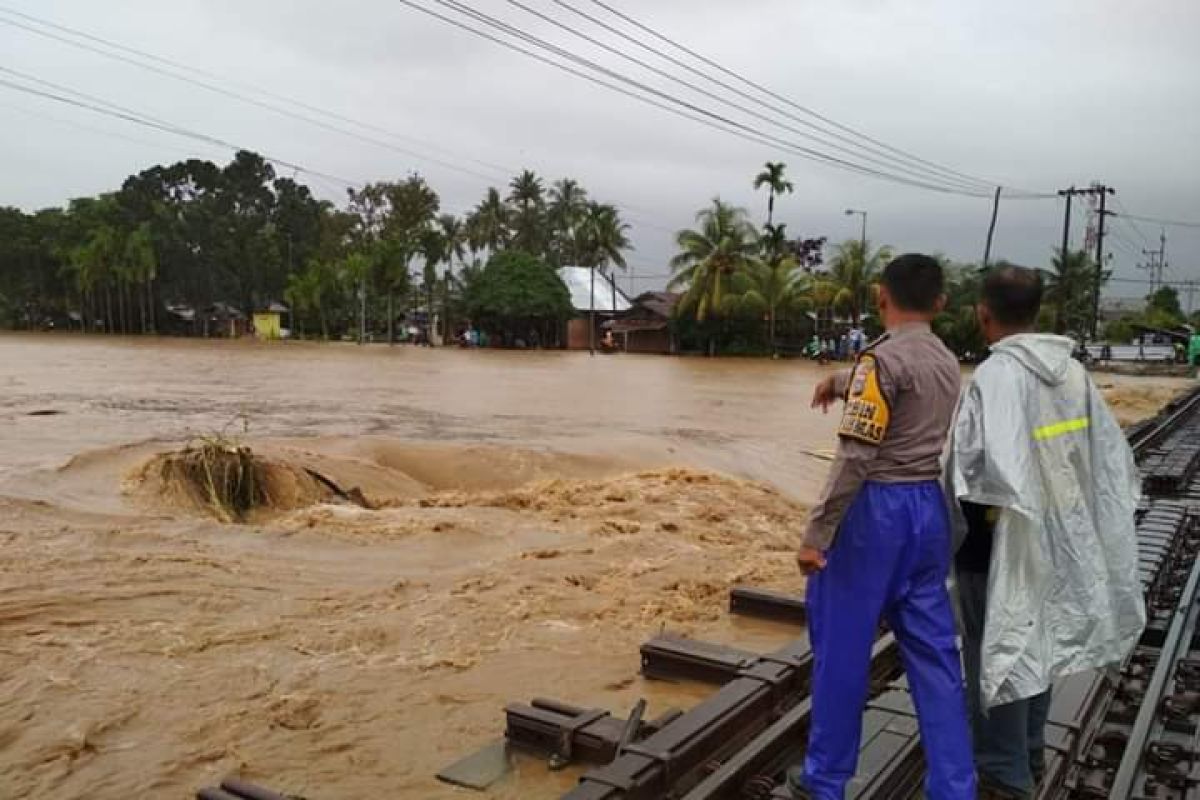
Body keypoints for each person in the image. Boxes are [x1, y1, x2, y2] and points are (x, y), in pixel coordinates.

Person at [946, 267, 1145, 799]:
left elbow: (972, 468)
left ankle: (1002, 773)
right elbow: (1105, 463)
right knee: (1037, 639)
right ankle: (1028, 752)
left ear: (982, 313)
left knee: (998, 650)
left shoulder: (996, 376)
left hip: (995, 543)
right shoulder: (1073, 373)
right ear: (1038, 313)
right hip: (1060, 536)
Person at [791, 254, 975, 799]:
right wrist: (842, 380)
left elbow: (855, 456)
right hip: (928, 512)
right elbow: (901, 387)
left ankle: (824, 781)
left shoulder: (879, 361)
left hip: (875, 515)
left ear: (879, 296)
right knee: (935, 655)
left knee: (843, 650)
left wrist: (816, 534)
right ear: (940, 304)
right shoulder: (946, 359)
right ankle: (954, 786)